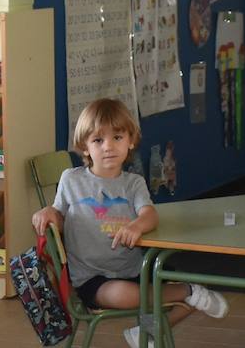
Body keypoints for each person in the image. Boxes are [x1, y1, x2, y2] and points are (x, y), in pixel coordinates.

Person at [31, 98, 228, 348]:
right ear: (84, 147)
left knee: (163, 289)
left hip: (134, 270)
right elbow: (59, 217)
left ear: (131, 141)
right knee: (133, 295)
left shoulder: (133, 183)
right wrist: (48, 211)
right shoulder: (71, 179)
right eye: (98, 140)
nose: (108, 147)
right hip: (91, 278)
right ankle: (189, 290)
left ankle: (146, 332)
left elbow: (150, 214)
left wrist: (137, 225)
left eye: (117, 137)